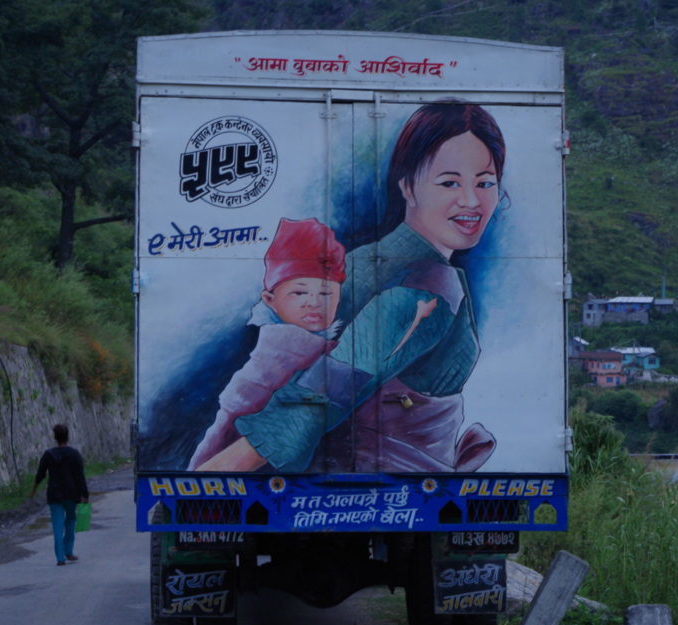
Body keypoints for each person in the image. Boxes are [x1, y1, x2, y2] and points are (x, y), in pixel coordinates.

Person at [197, 100, 501, 474]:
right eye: (449, 182)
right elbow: (333, 385)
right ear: (407, 187)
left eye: (485, 183)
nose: (470, 200)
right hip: (392, 488)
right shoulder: (431, 286)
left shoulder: (358, 262)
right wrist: (209, 478)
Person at [187, 217, 346, 471]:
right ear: (270, 300)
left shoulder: (324, 342)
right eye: (299, 292)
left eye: (326, 293)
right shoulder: (277, 350)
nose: (314, 302)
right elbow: (223, 431)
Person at [30, 423, 89, 566]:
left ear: (55, 437)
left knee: (57, 525)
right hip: (71, 494)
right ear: (68, 437)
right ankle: (68, 551)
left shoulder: (49, 454)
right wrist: (85, 494)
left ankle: (60, 558)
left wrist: (34, 489)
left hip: (54, 494)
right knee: (71, 521)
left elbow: (40, 474)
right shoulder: (74, 454)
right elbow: (80, 476)